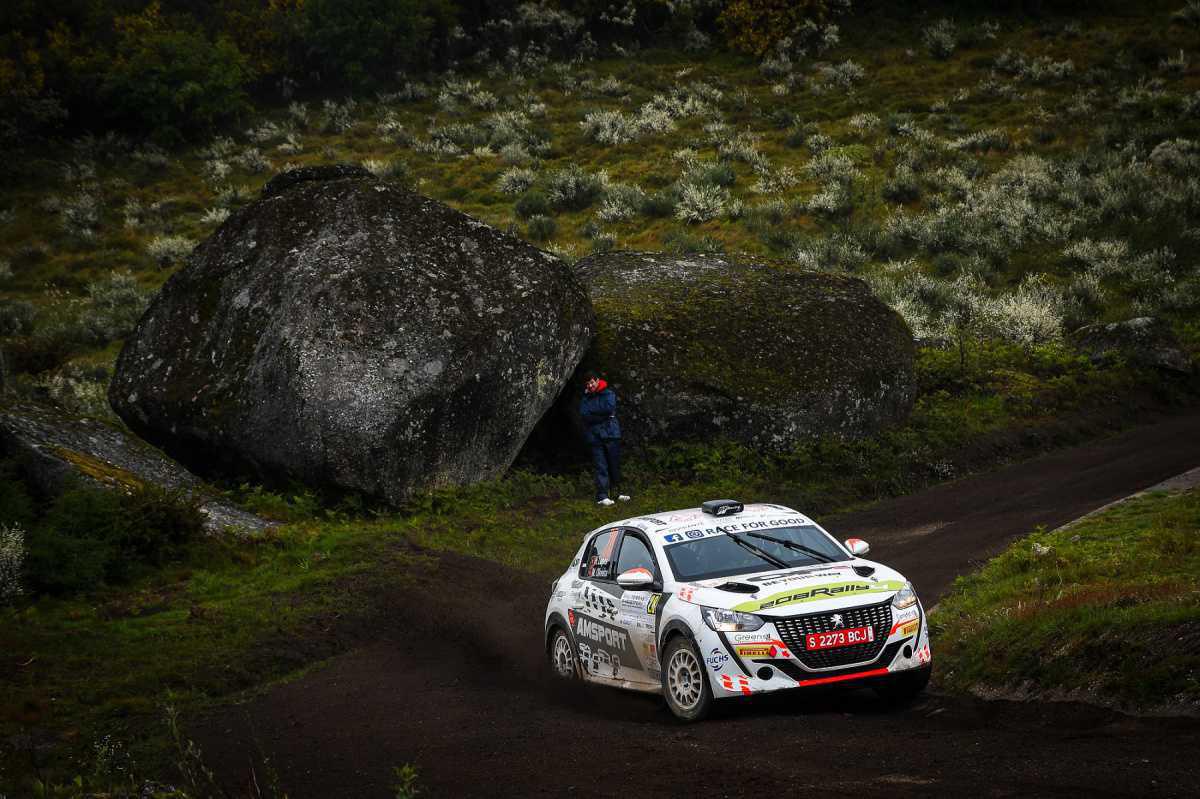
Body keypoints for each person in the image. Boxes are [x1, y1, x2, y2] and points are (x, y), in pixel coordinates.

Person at [579, 371, 630, 506]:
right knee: (601, 466)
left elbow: (609, 408)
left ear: (597, 381)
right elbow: (584, 414)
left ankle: (617, 493)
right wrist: (604, 416)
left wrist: (594, 414)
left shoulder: (608, 393)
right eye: (587, 384)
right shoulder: (585, 398)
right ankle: (602, 496)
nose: (590, 386)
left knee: (614, 464)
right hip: (595, 436)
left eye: (592, 382)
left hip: (611, 433)